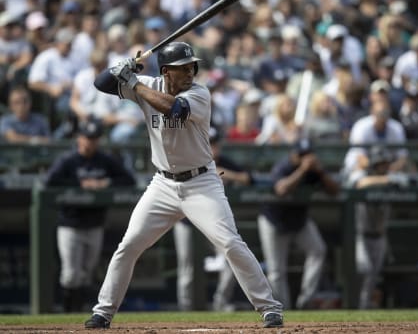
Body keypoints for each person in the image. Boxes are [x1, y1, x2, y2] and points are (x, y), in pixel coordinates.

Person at [85, 41, 283, 329]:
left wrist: (133, 83)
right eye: (182, 69)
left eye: (191, 66)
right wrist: (125, 66)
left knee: (229, 242)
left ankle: (269, 307)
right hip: (162, 184)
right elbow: (100, 83)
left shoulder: (199, 93)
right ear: (166, 71)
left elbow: (173, 109)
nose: (189, 72)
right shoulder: (147, 82)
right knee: (128, 246)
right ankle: (103, 311)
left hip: (201, 182)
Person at [43, 117, 136, 312]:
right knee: (70, 274)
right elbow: (49, 182)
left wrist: (106, 183)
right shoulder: (68, 161)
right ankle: (68, 313)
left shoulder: (105, 160)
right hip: (70, 223)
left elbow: (129, 180)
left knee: (86, 273)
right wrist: (80, 185)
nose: (90, 142)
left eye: (94, 138)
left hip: (95, 223)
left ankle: (79, 312)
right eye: (87, 137)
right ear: (79, 138)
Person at [173, 126, 251, 312]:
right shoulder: (189, 161)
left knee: (232, 257)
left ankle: (220, 302)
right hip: (187, 220)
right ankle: (185, 310)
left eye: (215, 144)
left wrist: (224, 172)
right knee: (187, 268)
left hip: (214, 221)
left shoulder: (223, 162)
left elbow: (248, 178)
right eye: (208, 144)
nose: (212, 149)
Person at [257, 138, 339, 309]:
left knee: (318, 250)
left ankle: (306, 302)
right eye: (301, 155)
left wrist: (321, 172)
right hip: (274, 221)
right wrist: (302, 169)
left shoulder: (315, 170)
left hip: (299, 221)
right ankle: (283, 309)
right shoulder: (283, 167)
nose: (305, 158)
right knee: (276, 271)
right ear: (293, 154)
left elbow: (335, 191)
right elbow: (281, 189)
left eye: (308, 155)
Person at [345, 145, 410, 309]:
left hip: (380, 236)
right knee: (364, 269)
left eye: (386, 164)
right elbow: (359, 183)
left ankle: (363, 308)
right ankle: (355, 305)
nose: (385, 167)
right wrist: (387, 180)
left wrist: (395, 180)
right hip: (361, 235)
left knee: (374, 275)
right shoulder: (363, 175)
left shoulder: (392, 178)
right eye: (381, 164)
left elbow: (408, 183)